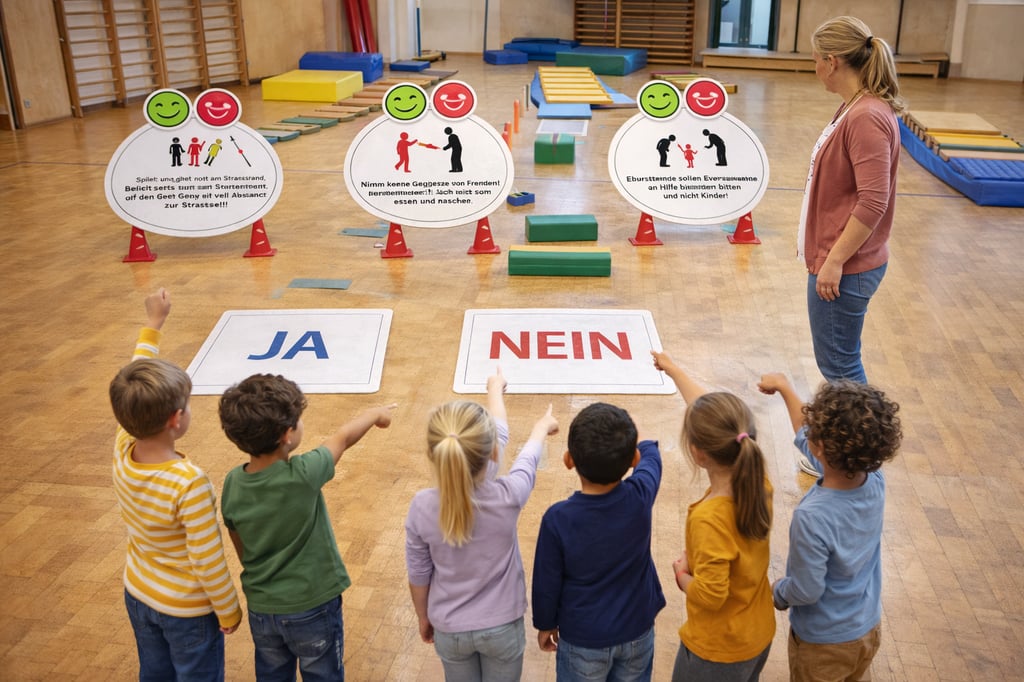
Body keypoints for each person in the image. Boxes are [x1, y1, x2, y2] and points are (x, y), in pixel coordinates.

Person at [218, 374, 395, 681]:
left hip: (263, 607)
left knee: (272, 675)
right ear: (287, 435)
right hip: (313, 606)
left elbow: (237, 538)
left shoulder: (233, 482)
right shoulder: (303, 473)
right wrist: (374, 414)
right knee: (322, 674)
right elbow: (342, 438)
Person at [109, 288, 242, 681]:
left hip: (138, 593)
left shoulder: (123, 443)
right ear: (176, 419)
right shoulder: (189, 483)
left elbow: (136, 373)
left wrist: (154, 324)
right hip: (187, 611)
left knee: (154, 673)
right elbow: (207, 558)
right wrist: (229, 609)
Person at [405, 367, 559, 681]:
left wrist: (423, 616)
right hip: (502, 627)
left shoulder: (421, 506)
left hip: (449, 627)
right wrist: (540, 428)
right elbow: (525, 461)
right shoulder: (509, 495)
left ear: (434, 454)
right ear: (493, 453)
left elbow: (418, 574)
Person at [757, 374, 902, 682]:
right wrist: (785, 388)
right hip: (867, 628)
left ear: (820, 448)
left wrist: (778, 592)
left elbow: (806, 589)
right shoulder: (873, 479)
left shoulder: (812, 517)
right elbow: (808, 438)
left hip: (823, 645)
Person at [651, 350, 775, 682]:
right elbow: (716, 422)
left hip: (717, 651)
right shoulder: (758, 477)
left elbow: (710, 595)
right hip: (757, 633)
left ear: (698, 454)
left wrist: (682, 575)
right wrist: (674, 370)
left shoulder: (709, 519)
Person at [800, 16, 905, 389]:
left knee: (840, 370)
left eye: (816, 60)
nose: (815, 68)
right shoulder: (855, 107)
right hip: (841, 259)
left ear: (832, 62)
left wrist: (834, 261)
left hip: (847, 266)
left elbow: (874, 201)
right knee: (838, 365)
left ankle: (864, 429)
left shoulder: (865, 117)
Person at [532, 401, 665, 681]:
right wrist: (635, 431)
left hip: (583, 637)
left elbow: (546, 581)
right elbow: (651, 455)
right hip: (637, 630)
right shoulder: (640, 496)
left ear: (569, 460)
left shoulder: (557, 519)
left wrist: (545, 623)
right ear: (633, 459)